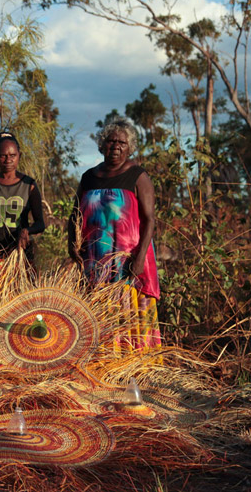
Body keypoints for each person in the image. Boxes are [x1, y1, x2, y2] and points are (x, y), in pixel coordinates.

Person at [68, 116, 161, 351]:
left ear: (130, 148)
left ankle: (134, 366)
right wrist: (72, 243)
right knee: (101, 312)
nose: (116, 146)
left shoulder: (138, 176)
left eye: (122, 143)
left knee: (131, 311)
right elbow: (74, 214)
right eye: (111, 141)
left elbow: (150, 219)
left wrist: (139, 258)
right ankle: (106, 363)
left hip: (128, 261)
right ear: (101, 145)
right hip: (96, 261)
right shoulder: (89, 177)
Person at [0, 132, 45, 265]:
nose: (8, 160)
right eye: (3, 156)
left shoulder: (29, 185)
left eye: (12, 156)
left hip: (19, 255)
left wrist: (27, 231)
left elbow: (40, 224)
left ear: (19, 156)